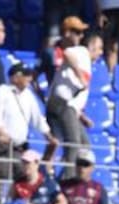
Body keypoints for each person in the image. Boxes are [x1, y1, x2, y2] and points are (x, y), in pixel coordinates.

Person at [0, 63, 55, 204]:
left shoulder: (29, 95)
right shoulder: (3, 90)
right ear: (16, 76)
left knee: (25, 178)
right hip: (0, 145)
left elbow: (38, 119)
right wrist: (1, 131)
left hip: (20, 146)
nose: (29, 78)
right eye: (26, 74)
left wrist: (48, 135)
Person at [45, 16, 94, 173]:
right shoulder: (72, 50)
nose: (81, 36)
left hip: (69, 105)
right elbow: (67, 54)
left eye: (82, 33)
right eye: (77, 32)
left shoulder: (80, 51)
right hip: (61, 102)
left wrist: (81, 116)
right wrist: (79, 75)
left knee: (84, 145)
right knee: (73, 142)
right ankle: (69, 180)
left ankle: (74, 177)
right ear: (67, 33)